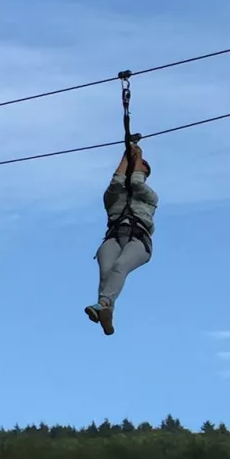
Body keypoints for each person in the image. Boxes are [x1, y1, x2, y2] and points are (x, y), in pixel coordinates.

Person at [85, 142, 157, 336]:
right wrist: (126, 157)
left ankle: (103, 305)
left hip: (138, 239)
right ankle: (106, 311)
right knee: (107, 273)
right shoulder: (112, 196)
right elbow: (117, 182)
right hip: (115, 236)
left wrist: (138, 154)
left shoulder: (149, 196)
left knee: (120, 266)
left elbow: (136, 183)